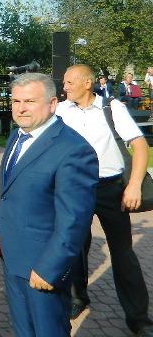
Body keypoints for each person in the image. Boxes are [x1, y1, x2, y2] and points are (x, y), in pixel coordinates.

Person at [0, 73, 98, 336]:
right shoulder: (16, 137)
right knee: (23, 330)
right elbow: (8, 189)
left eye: (29, 101)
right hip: (12, 258)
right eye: (16, 101)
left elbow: (75, 220)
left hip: (42, 267)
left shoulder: (73, 149)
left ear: (52, 104)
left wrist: (49, 269)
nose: (21, 108)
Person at [57, 64, 153, 336]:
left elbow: (140, 145)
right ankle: (77, 297)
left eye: (69, 82)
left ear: (87, 83)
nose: (64, 87)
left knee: (123, 253)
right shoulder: (61, 110)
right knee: (76, 246)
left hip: (111, 188)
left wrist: (133, 186)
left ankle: (139, 320)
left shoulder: (112, 107)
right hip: (75, 188)